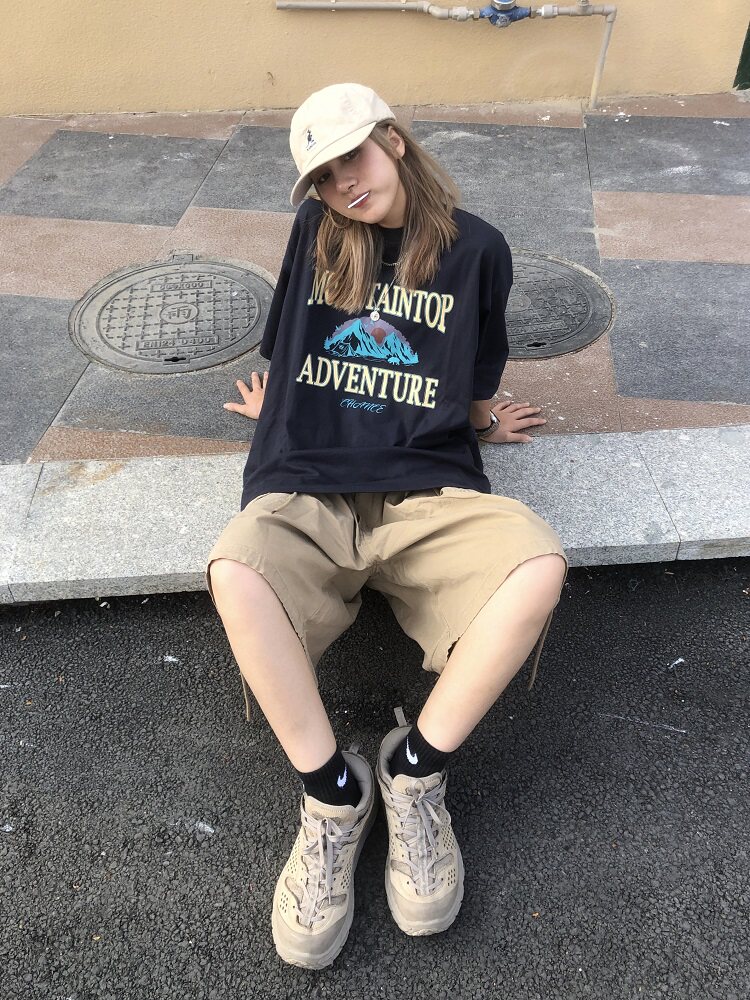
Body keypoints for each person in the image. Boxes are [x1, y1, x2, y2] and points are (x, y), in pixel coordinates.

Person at [205, 82, 569, 970]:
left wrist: (483, 421)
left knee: (536, 564)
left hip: (426, 486)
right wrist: (277, 411)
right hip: (309, 482)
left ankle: (413, 773)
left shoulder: (479, 249)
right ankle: (334, 792)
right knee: (235, 569)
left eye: (353, 159)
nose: (344, 184)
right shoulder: (316, 231)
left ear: (394, 141)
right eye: (324, 177)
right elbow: (294, 342)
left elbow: (473, 368)